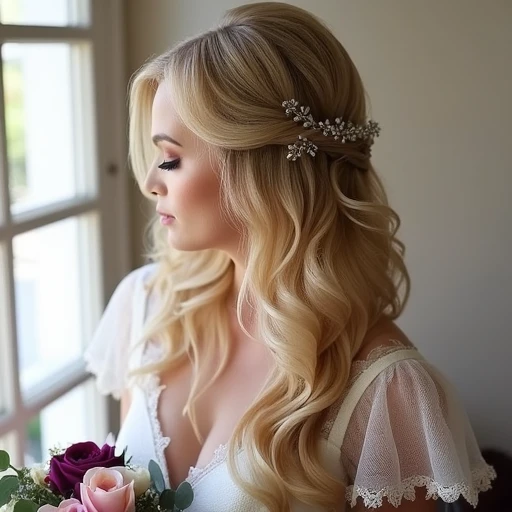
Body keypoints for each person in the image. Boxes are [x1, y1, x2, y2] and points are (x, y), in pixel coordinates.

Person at [84, 2, 496, 510]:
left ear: (258, 168)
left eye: (170, 158)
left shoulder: (383, 389)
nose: (150, 184)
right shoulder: (147, 309)